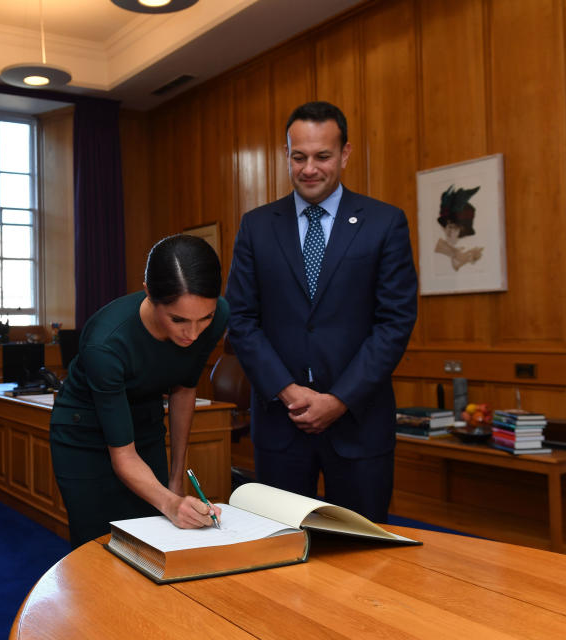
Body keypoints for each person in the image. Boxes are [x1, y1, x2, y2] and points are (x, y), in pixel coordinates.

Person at [225, 101, 417, 523]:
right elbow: (240, 319)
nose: (309, 168)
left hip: (360, 425)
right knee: (278, 550)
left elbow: (395, 322)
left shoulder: (384, 224)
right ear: (287, 154)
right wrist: (290, 392)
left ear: (345, 154)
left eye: (322, 156)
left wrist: (339, 399)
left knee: (363, 556)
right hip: (280, 424)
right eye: (299, 156)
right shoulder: (256, 226)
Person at [50, 234, 230, 548]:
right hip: (85, 434)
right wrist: (172, 504)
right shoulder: (105, 343)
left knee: (152, 543)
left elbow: (184, 388)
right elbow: (123, 457)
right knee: (100, 546)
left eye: (205, 318)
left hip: (145, 423)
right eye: (178, 320)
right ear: (149, 293)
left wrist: (175, 481)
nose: (193, 333)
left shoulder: (216, 318)